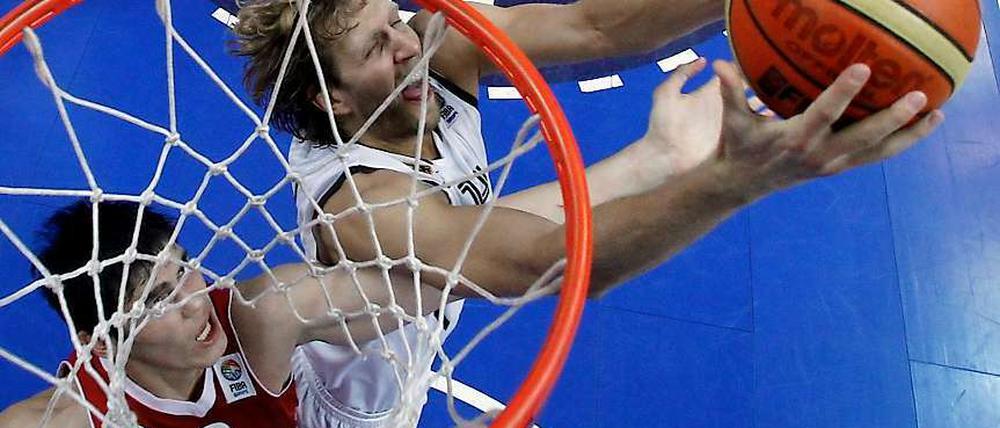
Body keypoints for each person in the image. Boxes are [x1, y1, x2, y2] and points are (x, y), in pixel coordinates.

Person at [231, 0, 943, 426]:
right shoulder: (365, 207)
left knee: (465, 248)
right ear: (332, 99)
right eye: (376, 47)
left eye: (394, 18)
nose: (409, 44)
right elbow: (553, 263)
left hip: (422, 302)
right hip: (352, 410)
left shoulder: (433, 51)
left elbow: (596, 27)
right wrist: (735, 181)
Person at [0, 200, 445, 427]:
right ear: (100, 341)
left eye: (185, 268)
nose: (195, 301)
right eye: (157, 301)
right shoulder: (77, 416)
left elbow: (436, 281)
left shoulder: (258, 315)